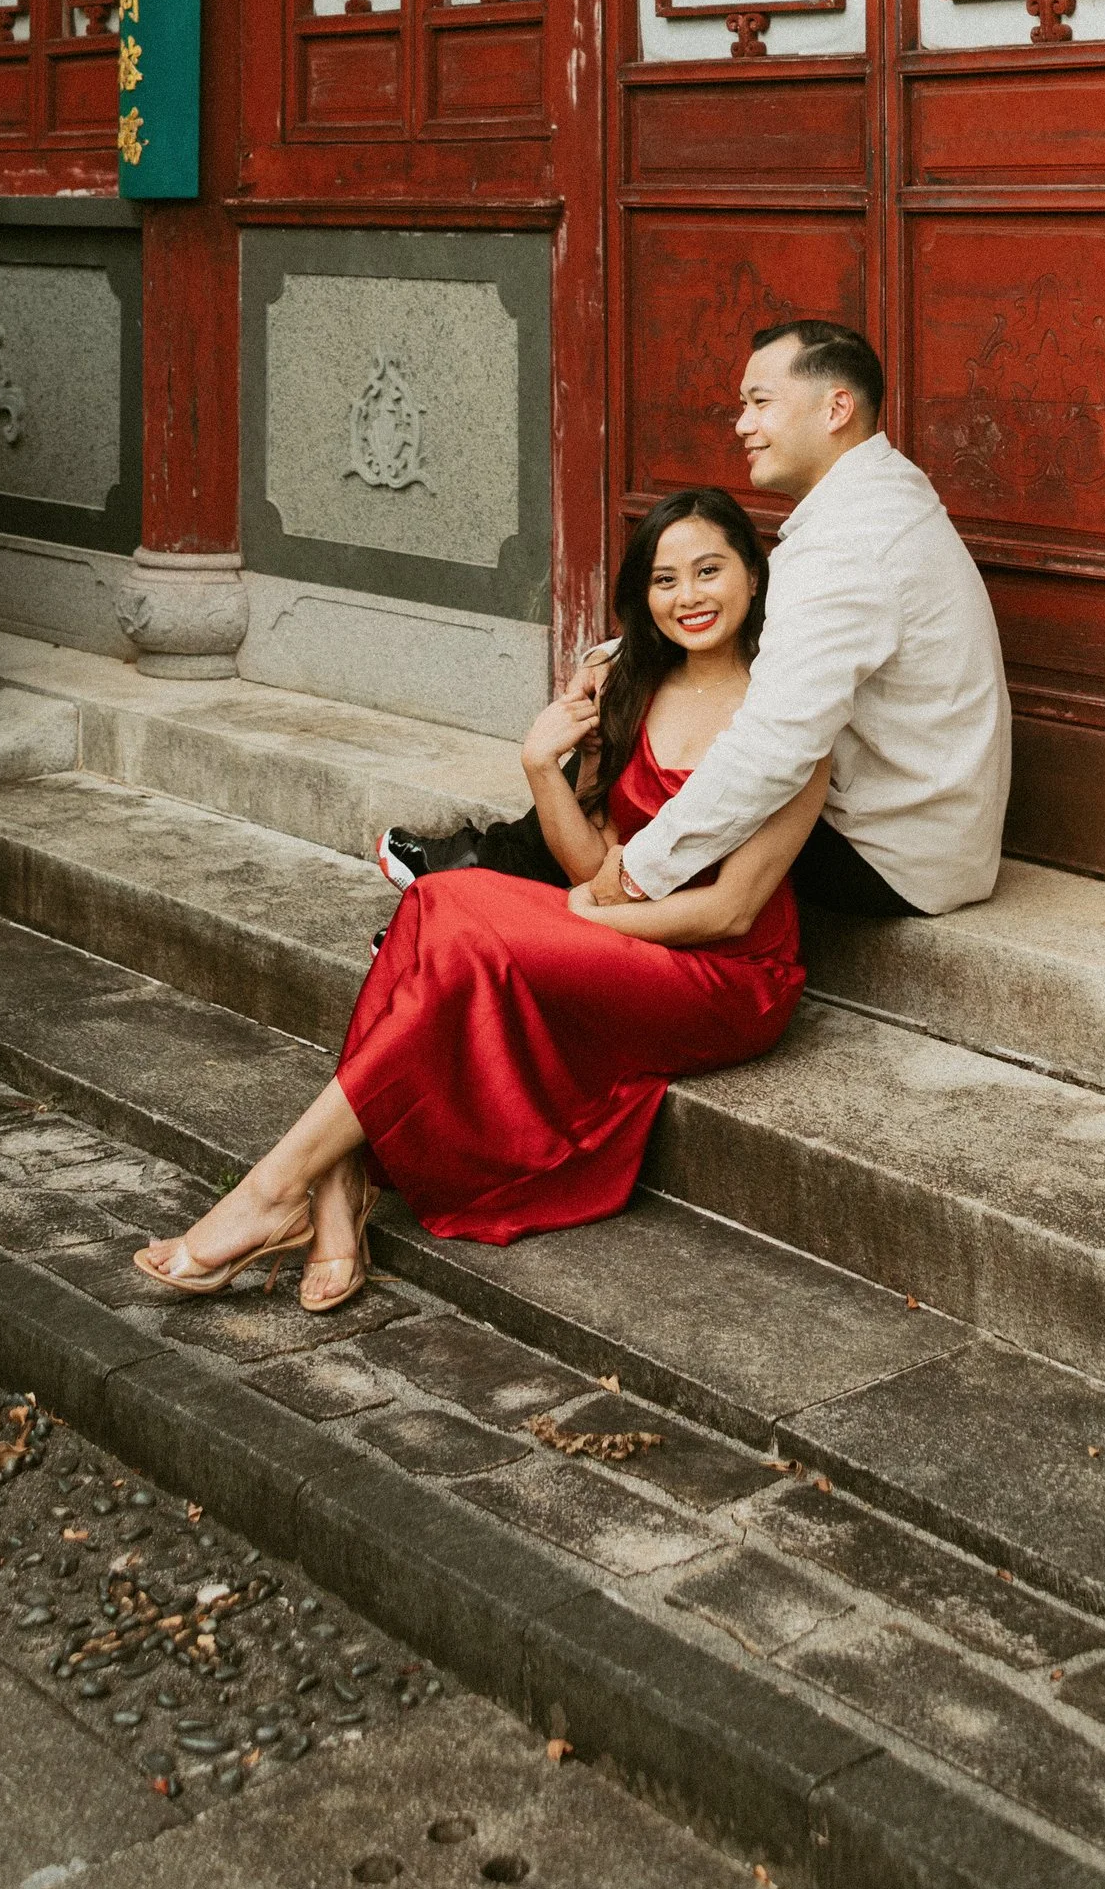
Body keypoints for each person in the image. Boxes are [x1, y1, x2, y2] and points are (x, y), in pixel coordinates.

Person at [131, 486, 822, 1296]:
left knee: (458, 921)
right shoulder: (630, 687)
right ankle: (319, 1188)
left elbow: (730, 909)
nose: (689, 597)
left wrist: (583, 920)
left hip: (728, 977)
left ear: (753, 574)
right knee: (434, 904)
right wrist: (541, 766)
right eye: (665, 581)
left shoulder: (792, 720)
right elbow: (589, 861)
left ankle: (286, 1188)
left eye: (709, 571)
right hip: (618, 933)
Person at [382, 319, 1010, 926]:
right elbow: (781, 635)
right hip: (934, 835)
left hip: (888, 855)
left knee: (670, 728)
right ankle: (496, 881)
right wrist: (619, 655)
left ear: (835, 408)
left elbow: (774, 746)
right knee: (659, 680)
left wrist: (639, 872)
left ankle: (501, 886)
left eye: (760, 403)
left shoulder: (850, 548)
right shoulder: (880, 501)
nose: (743, 425)